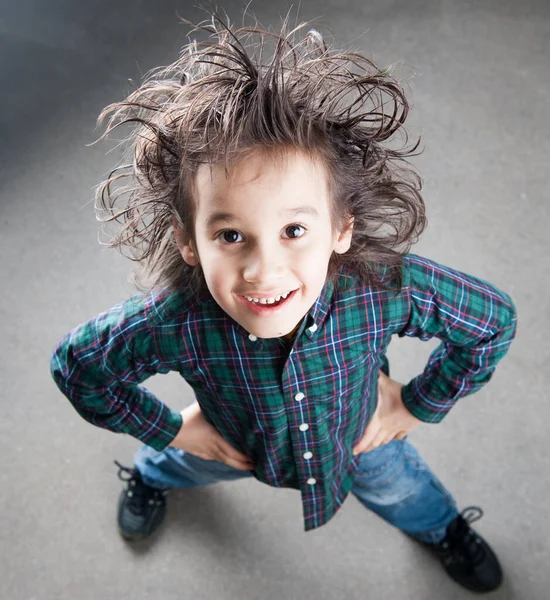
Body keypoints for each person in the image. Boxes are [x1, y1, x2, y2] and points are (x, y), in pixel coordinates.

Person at [50, 12, 517, 594]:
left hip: (357, 437)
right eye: (229, 235)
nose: (263, 270)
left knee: (406, 490)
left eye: (294, 230)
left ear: (341, 229)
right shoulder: (174, 322)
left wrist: (419, 403)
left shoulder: (382, 288)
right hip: (235, 444)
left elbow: (491, 322)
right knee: (175, 462)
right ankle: (152, 476)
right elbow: (78, 366)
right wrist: (167, 429)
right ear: (188, 241)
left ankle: (444, 529)